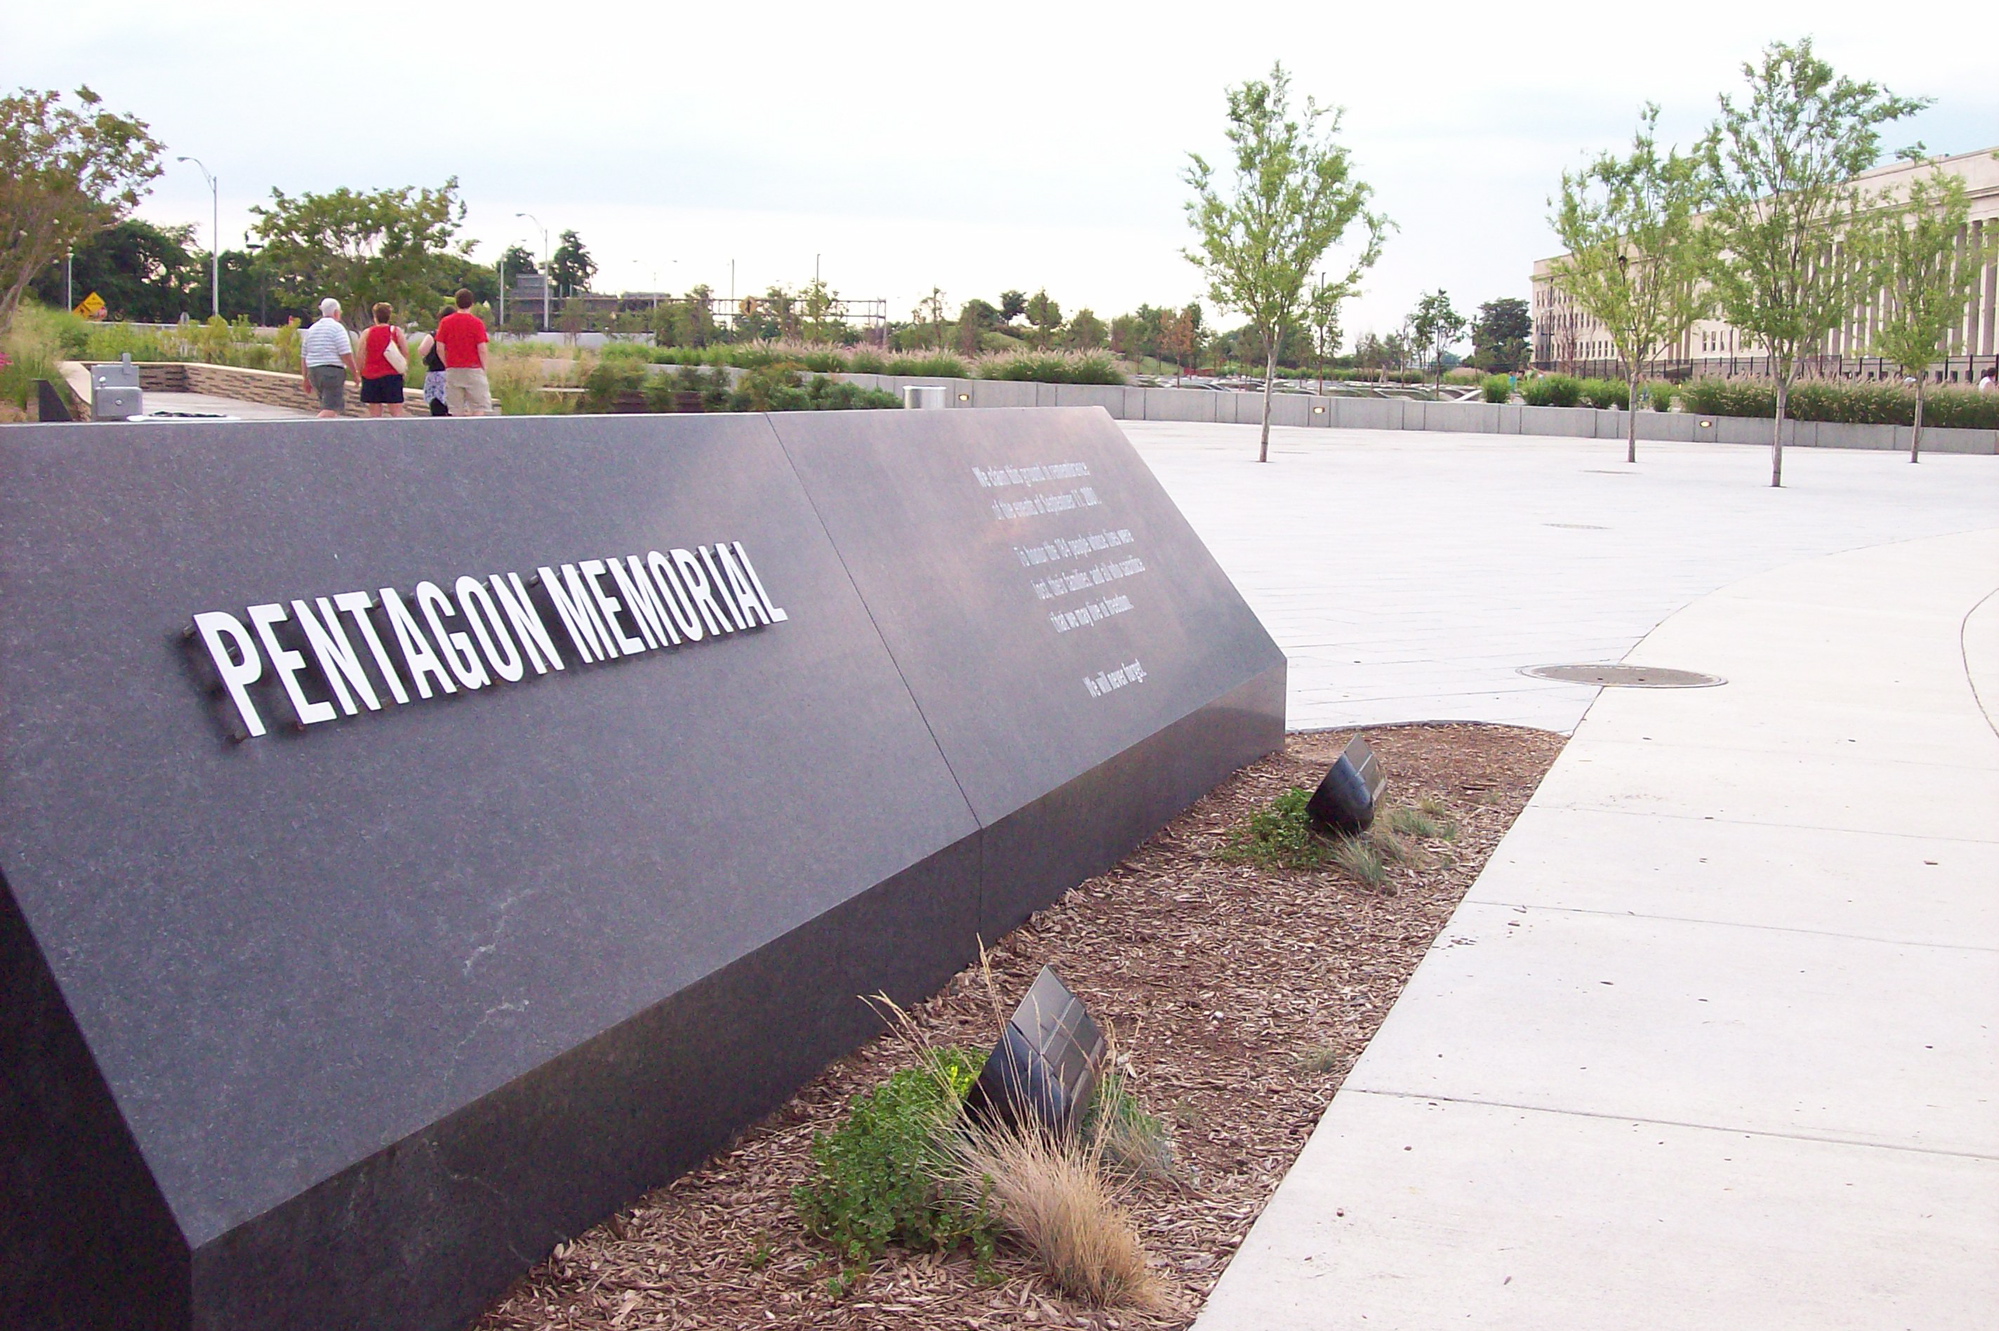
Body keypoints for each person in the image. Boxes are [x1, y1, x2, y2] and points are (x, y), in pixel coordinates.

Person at [435, 288, 492, 417]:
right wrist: (484, 367)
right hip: (473, 368)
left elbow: (440, 347)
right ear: (472, 303)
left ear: (456, 303)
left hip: (453, 369)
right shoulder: (477, 323)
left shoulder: (445, 322)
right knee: (478, 406)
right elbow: (482, 349)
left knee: (455, 408)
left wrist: (447, 363)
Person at [300, 297, 357, 418]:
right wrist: (355, 374)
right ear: (336, 312)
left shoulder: (312, 329)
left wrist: (305, 378)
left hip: (314, 371)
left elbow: (304, 356)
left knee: (327, 405)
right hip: (331, 372)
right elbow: (346, 354)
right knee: (330, 409)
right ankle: (311, 429)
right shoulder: (337, 328)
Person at [358, 303, 409, 417]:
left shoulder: (367, 333)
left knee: (375, 414)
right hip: (392, 375)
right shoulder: (396, 331)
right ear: (389, 316)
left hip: (371, 375)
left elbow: (361, 354)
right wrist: (404, 368)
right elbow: (405, 351)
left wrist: (360, 372)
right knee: (396, 412)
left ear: (375, 316)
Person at [414, 305, 452, 416]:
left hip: (435, 374)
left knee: (436, 406)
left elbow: (422, 350)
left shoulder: (434, 335)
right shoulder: (455, 335)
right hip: (453, 372)